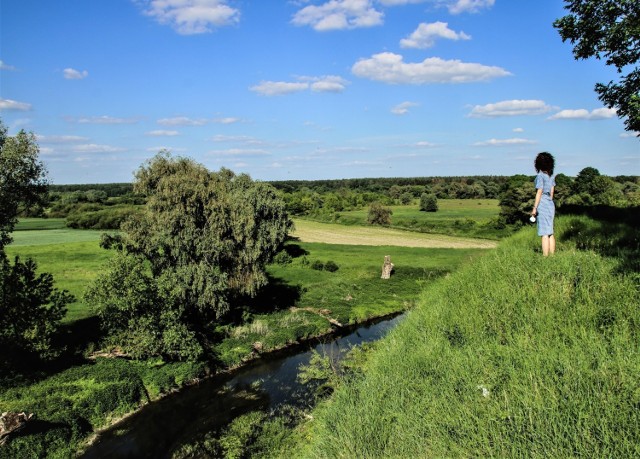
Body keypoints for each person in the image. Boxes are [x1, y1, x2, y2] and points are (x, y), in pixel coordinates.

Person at [531, 152, 556, 256]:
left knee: (544, 233)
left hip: (543, 203)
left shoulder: (540, 176)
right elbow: (552, 192)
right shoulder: (551, 176)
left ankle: (545, 258)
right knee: (550, 232)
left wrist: (534, 208)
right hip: (551, 204)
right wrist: (549, 201)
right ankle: (552, 256)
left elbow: (539, 192)